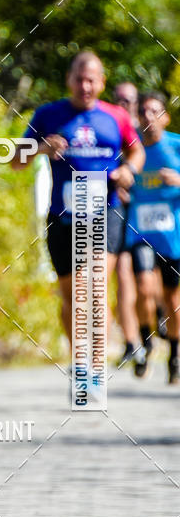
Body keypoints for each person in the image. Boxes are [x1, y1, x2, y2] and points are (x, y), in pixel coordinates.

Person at [12, 51, 145, 381]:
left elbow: (136, 150)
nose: (85, 86)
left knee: (96, 287)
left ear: (101, 82)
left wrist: (128, 169)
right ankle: (80, 363)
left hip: (105, 212)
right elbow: (15, 160)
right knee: (71, 296)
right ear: (69, 79)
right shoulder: (48, 115)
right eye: (79, 79)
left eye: (92, 80)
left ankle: (96, 367)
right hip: (63, 216)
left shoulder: (116, 117)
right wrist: (40, 148)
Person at [126, 92, 180, 384]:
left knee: (173, 300)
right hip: (140, 233)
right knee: (143, 288)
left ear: (165, 117)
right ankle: (146, 342)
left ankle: (174, 355)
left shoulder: (176, 146)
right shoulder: (131, 146)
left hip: (172, 236)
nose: (148, 116)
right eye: (143, 111)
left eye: (155, 111)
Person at [112, 82, 146, 373]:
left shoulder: (145, 130)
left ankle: (152, 326)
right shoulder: (111, 126)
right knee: (123, 276)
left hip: (149, 218)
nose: (124, 103)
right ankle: (132, 341)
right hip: (121, 213)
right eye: (119, 99)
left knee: (150, 284)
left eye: (129, 99)